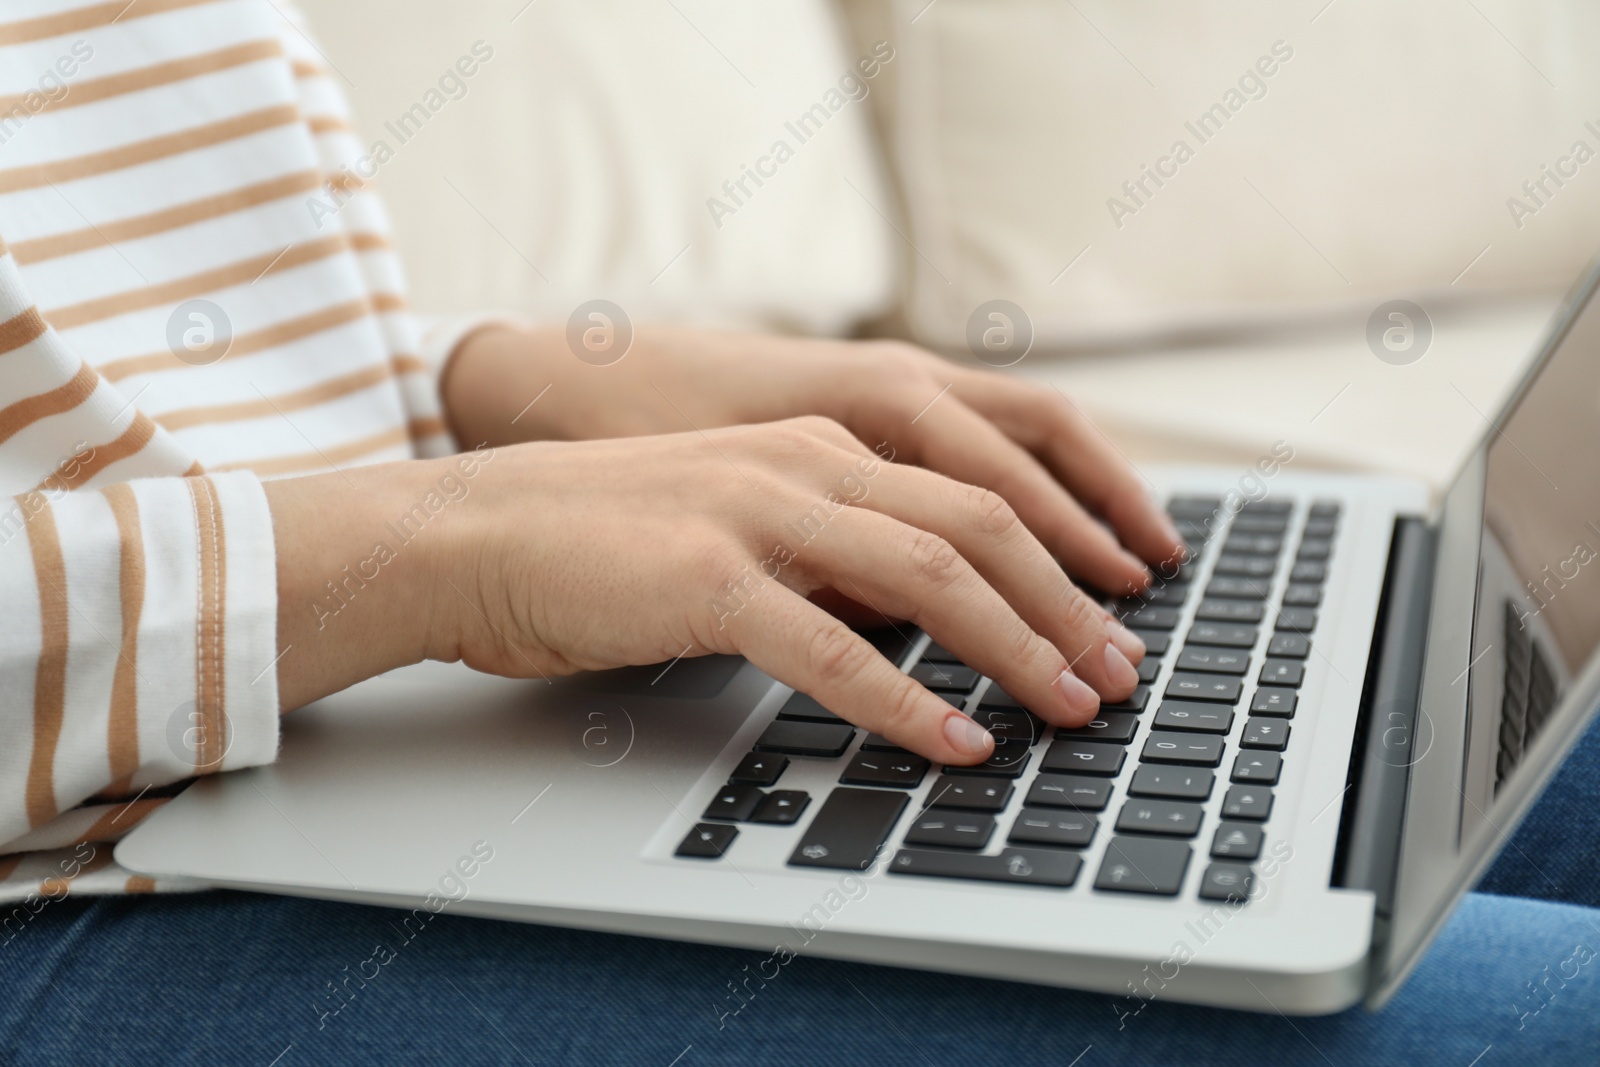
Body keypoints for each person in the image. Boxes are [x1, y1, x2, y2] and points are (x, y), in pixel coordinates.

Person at [2, 3, 1597, 1063]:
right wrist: (439, 542)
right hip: (85, 872)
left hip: (349, 697)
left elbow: (141, 321)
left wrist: (500, 384)